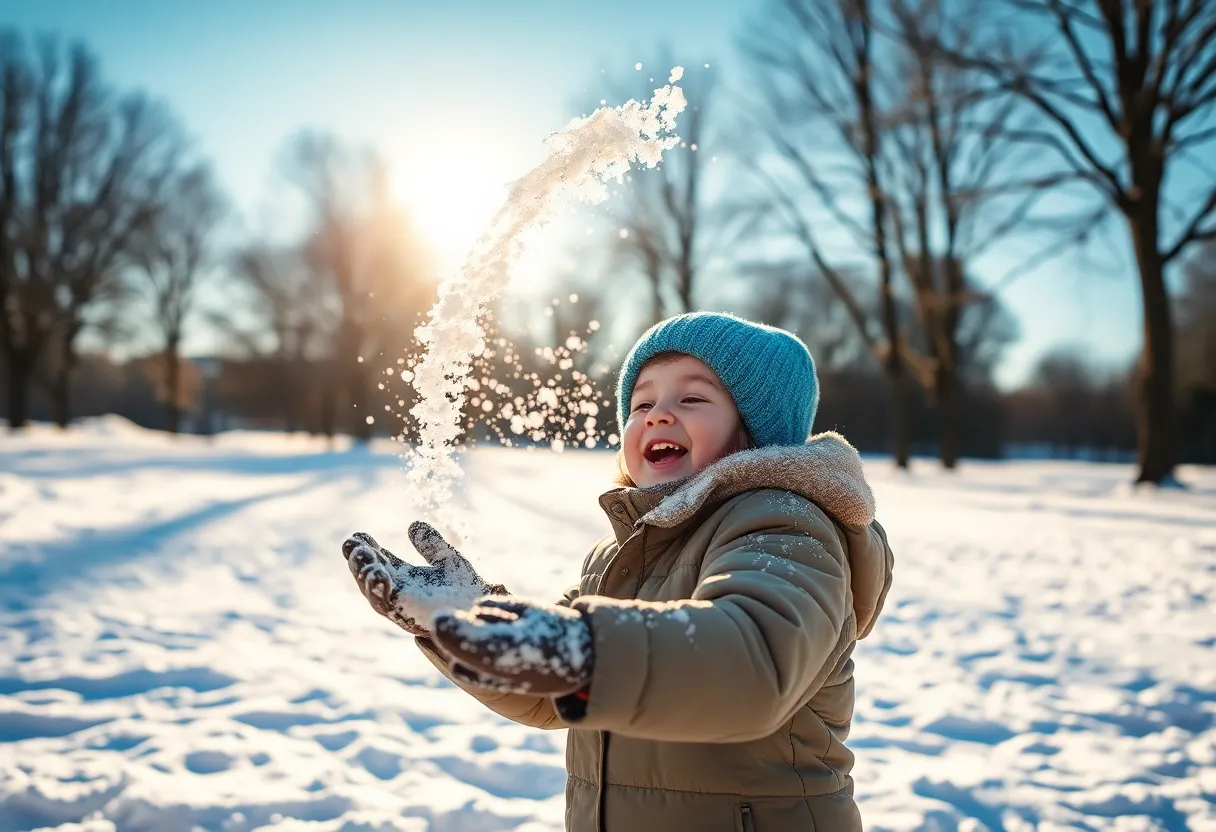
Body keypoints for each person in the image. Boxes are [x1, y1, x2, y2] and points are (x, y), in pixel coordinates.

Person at [342, 312, 895, 832]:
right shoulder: (625, 552)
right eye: (639, 403)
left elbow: (755, 659)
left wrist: (586, 649)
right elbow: (550, 696)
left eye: (694, 396)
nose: (656, 413)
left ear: (757, 430)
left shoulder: (783, 523)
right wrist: (461, 621)